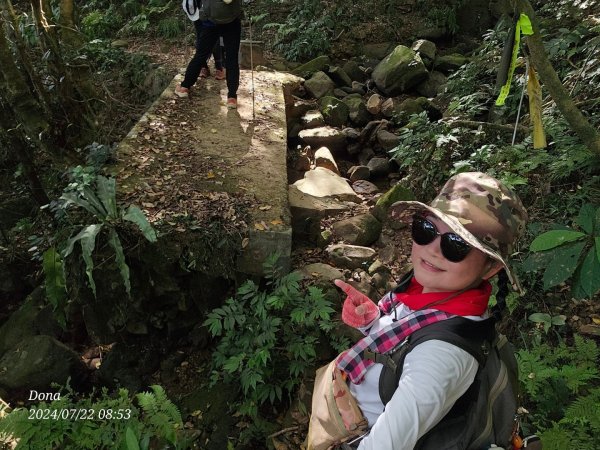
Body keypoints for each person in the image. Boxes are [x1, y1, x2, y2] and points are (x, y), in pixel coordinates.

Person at [305, 172, 528, 450]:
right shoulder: (426, 294)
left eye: (456, 245)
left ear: (490, 267)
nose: (433, 249)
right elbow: (404, 344)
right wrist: (374, 322)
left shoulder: (441, 356)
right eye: (426, 229)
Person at [176, 0, 242, 109]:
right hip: (231, 20)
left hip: (210, 21)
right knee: (232, 58)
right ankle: (232, 98)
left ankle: (184, 87)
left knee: (201, 54)